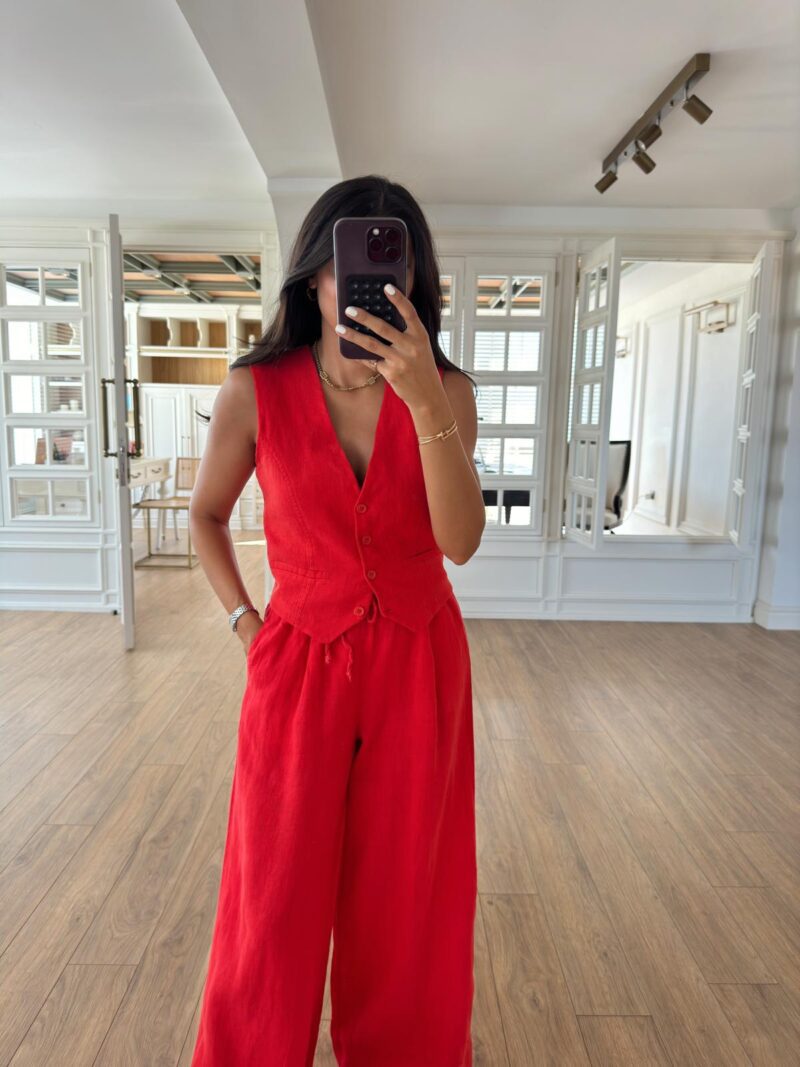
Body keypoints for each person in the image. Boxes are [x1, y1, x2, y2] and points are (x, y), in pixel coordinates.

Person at [188, 175, 484, 1066]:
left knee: (408, 892)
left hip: (420, 662)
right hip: (296, 662)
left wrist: (424, 400)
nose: (367, 283)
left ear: (415, 280)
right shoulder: (256, 389)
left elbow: (461, 542)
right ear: (314, 275)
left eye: (394, 264)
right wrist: (247, 625)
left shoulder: (448, 391)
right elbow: (207, 514)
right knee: (272, 890)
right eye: (349, 263)